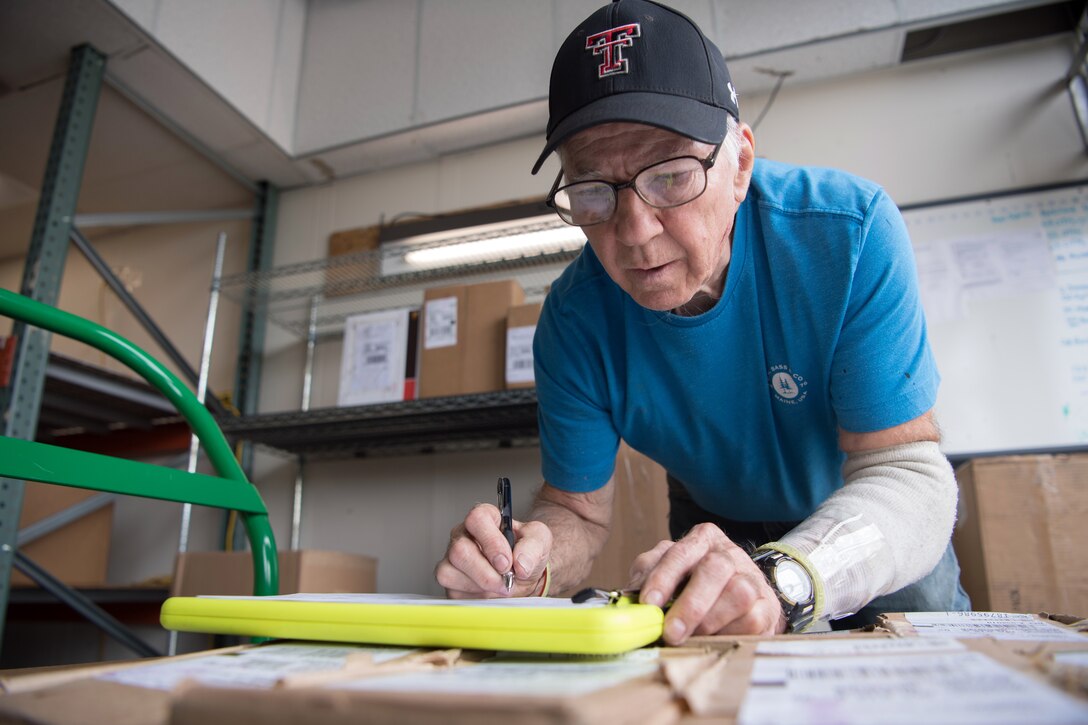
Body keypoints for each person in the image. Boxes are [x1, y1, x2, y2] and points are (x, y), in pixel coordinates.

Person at [435, 0, 970, 639]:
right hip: (716, 518)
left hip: (868, 513)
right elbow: (577, 508)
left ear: (739, 164)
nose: (633, 232)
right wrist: (531, 562)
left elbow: (907, 471)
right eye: (592, 190)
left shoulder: (846, 236)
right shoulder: (574, 322)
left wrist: (785, 577)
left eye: (670, 175)